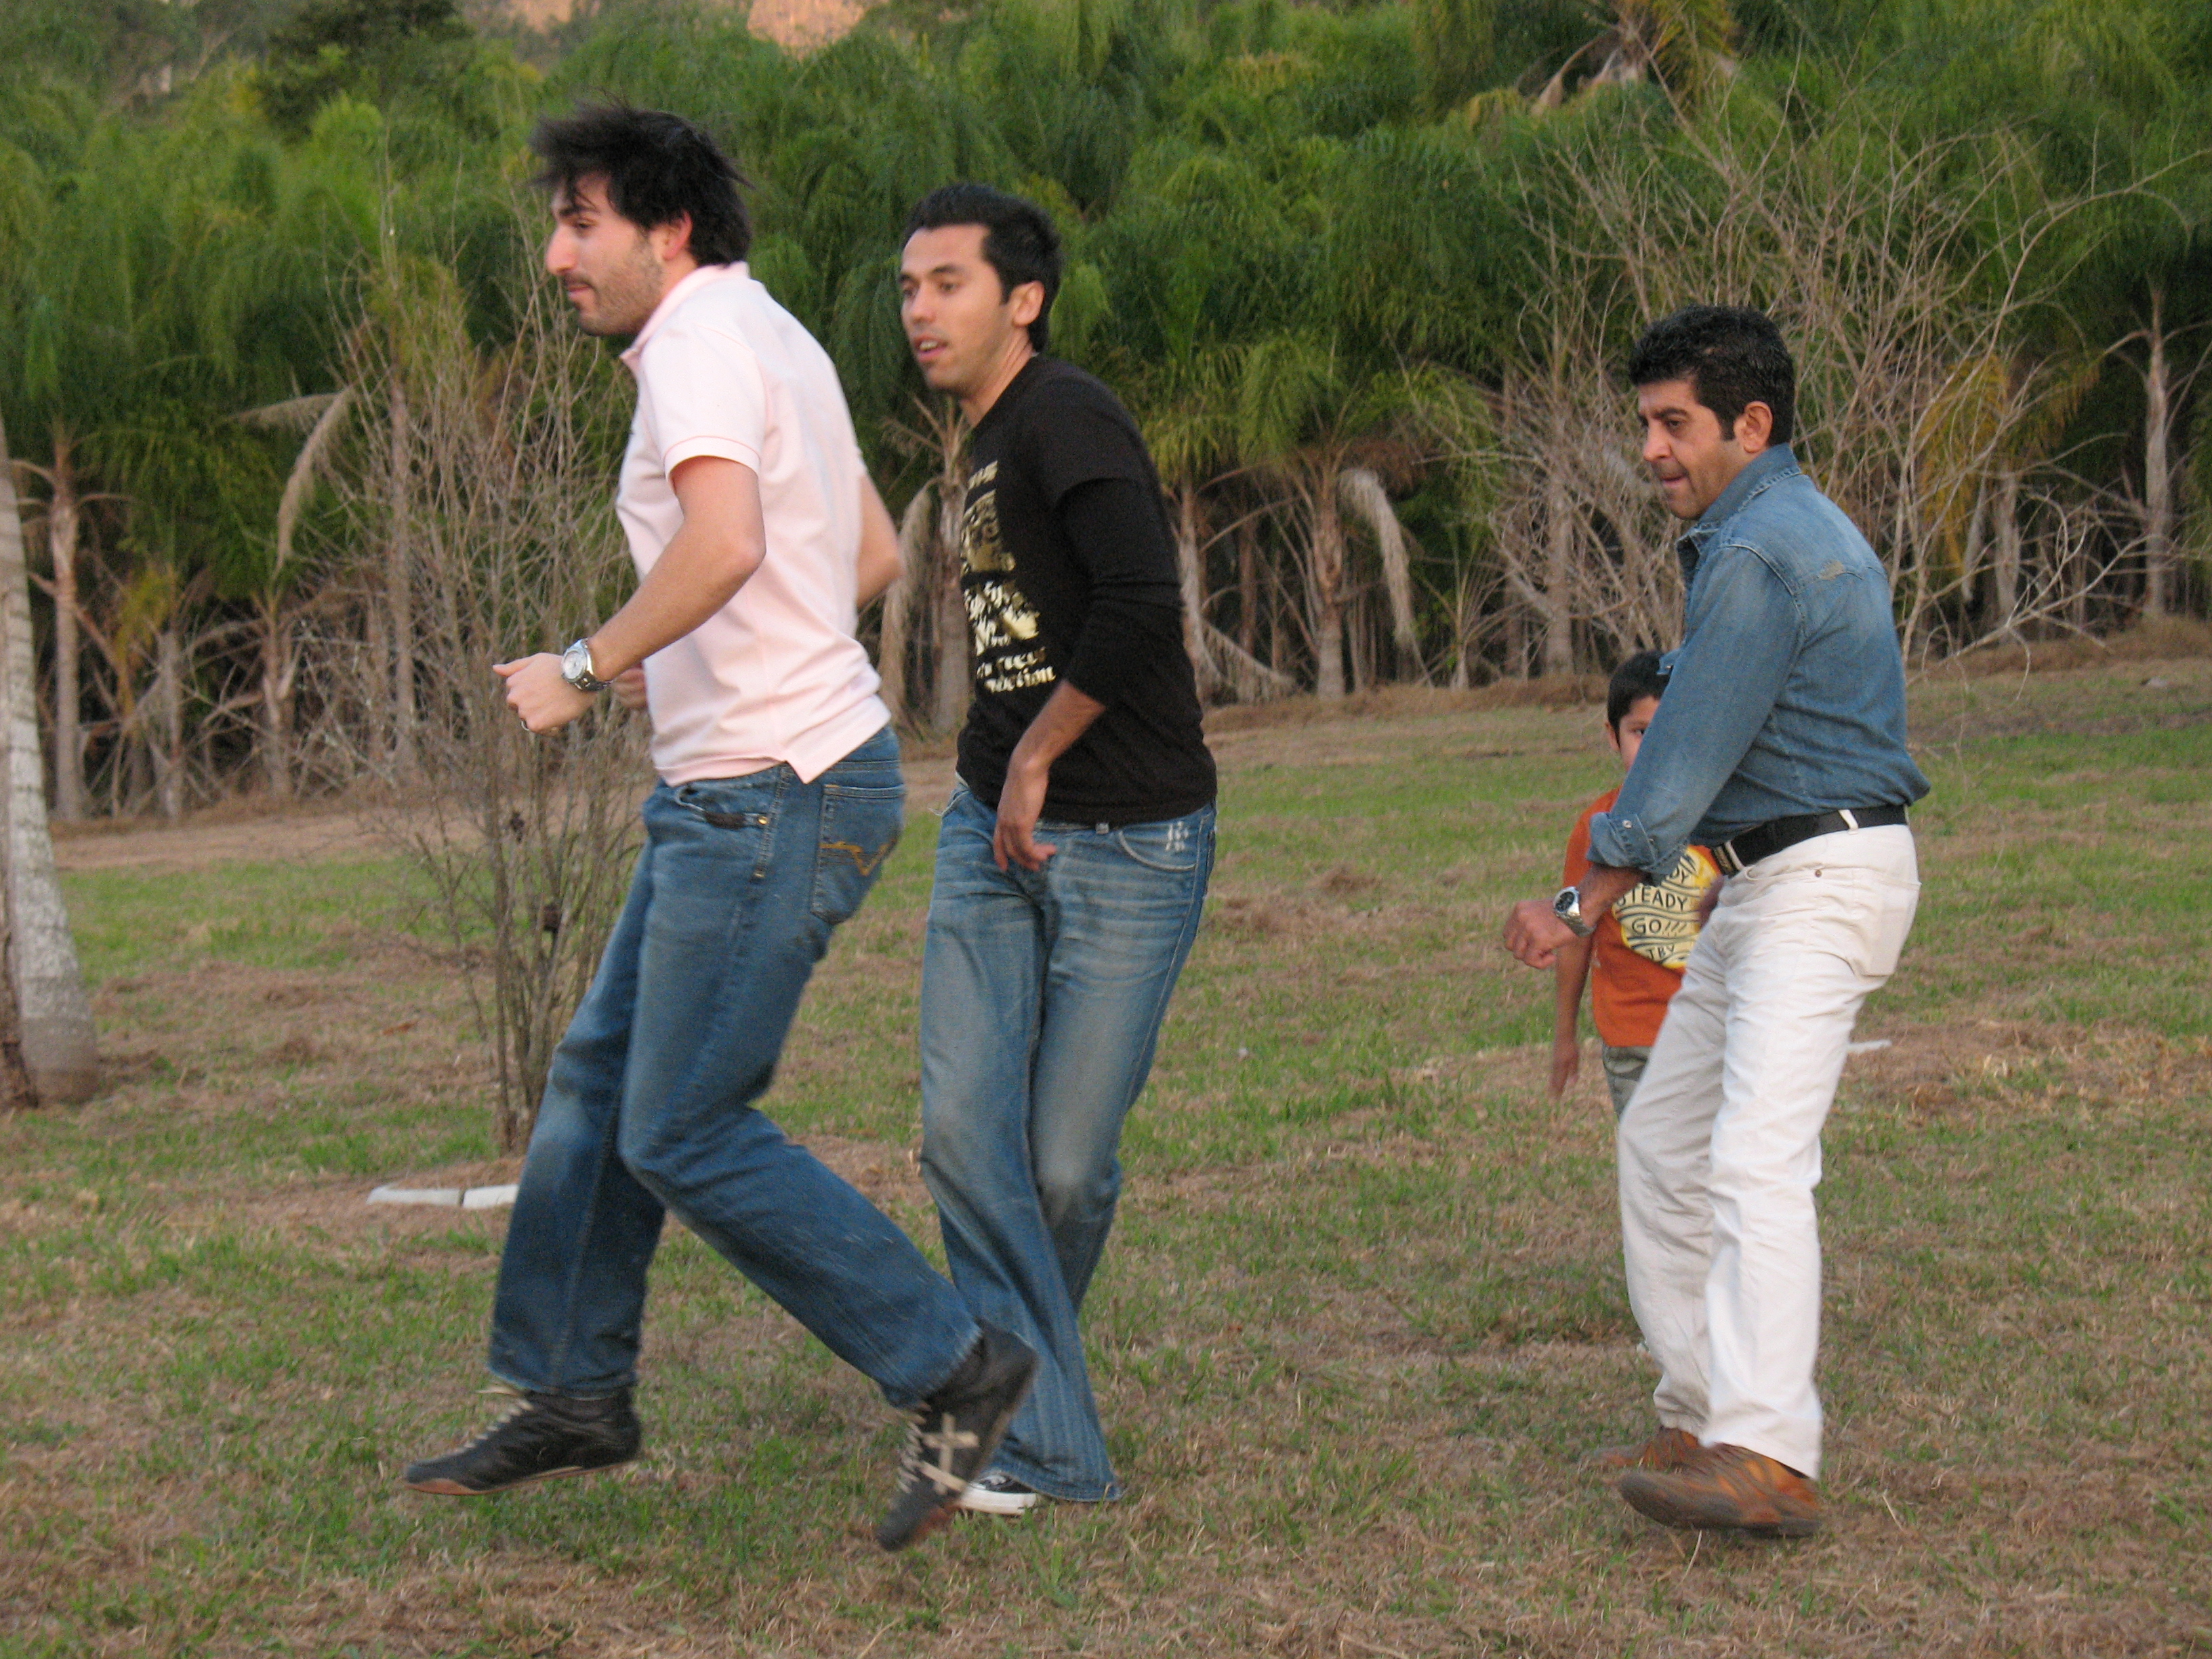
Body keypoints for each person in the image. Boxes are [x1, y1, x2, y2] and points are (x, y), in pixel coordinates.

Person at [398, 106, 1035, 1555]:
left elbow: (729, 542)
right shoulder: (776, 335)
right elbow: (862, 553)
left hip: (765, 793)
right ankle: (573, 1389)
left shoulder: (693, 343)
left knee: (680, 1123)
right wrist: (720, 654)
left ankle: (956, 1364)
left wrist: (585, 665)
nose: (558, 257)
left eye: (582, 224)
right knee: (597, 1080)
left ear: (667, 230)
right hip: (773, 778)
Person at [1502, 305, 1929, 1538]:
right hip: (1760, 881)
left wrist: (1581, 898)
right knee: (1661, 1139)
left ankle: (1767, 1452)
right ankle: (1697, 1414)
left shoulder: (1761, 554)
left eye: (1672, 424)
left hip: (1818, 878)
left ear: (1751, 422)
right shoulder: (1777, 532)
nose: (1649, 449)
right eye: (1644, 423)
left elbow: (1683, 750)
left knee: (1754, 1158)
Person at [895, 184, 1217, 1514]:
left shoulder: (1065, 413)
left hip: (1130, 839)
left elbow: (1141, 597)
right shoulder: (980, 440)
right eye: (908, 288)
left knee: (1062, 1169)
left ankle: (1013, 1392)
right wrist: (1002, 768)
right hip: (990, 831)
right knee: (961, 1135)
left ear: (1022, 300)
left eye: (948, 284)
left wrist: (1038, 753)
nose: (919, 310)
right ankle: (1019, 1425)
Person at [1551, 651, 1718, 1119]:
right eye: (1642, 733)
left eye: (1672, 733)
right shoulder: (1595, 828)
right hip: (1635, 1039)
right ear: (1613, 736)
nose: (1658, 749)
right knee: (1651, 1160)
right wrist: (1565, 1035)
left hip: (1717, 1034)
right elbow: (1573, 934)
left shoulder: (1724, 821)